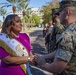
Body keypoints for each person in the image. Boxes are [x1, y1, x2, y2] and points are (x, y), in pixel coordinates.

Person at [35, 0, 76, 75]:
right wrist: (43, 56)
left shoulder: (68, 35)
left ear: (67, 12)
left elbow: (57, 68)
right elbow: (61, 51)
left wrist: (43, 64)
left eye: (60, 12)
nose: (58, 15)